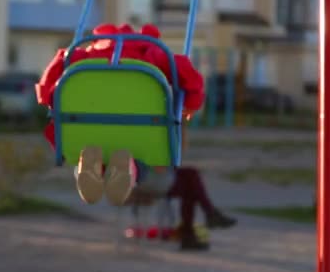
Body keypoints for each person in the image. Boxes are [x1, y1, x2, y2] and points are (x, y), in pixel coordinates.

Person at [35, 23, 205, 207]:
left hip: (87, 128)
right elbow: (186, 71)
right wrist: (191, 103)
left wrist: (45, 98)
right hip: (140, 132)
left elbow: (59, 62)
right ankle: (130, 167)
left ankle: (90, 166)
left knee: (94, 145)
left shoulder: (85, 54)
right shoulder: (152, 52)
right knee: (140, 156)